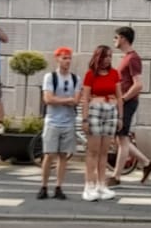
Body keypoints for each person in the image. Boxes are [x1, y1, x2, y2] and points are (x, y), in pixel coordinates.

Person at [77, 44, 121, 200]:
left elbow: (119, 96)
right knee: (93, 151)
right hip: (95, 110)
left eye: (110, 56)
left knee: (104, 151)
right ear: (98, 57)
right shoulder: (91, 75)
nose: (108, 59)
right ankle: (89, 185)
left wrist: (120, 117)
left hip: (110, 111)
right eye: (105, 56)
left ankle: (101, 185)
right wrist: (85, 118)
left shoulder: (115, 73)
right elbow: (85, 98)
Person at [109, 25, 151, 184]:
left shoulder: (133, 58)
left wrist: (124, 99)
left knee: (122, 138)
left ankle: (116, 177)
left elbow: (138, 85)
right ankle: (147, 163)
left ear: (123, 38)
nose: (114, 40)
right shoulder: (126, 58)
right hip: (123, 102)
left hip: (128, 102)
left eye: (116, 37)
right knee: (122, 139)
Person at [37, 45, 80, 200]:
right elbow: (48, 99)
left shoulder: (75, 78)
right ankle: (43, 186)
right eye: (64, 58)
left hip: (68, 121)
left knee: (63, 156)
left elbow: (76, 100)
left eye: (69, 58)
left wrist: (61, 100)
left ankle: (59, 187)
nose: (67, 61)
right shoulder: (50, 77)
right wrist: (67, 100)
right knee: (49, 154)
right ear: (57, 59)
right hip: (53, 121)